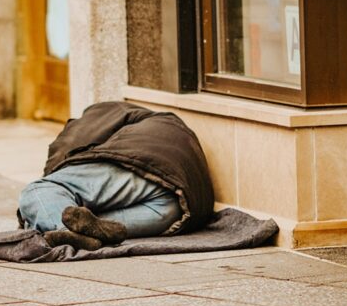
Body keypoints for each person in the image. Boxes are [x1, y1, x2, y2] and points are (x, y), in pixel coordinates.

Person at [17, 101, 215, 251]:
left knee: (38, 190)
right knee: (90, 223)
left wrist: (46, 190)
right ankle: (81, 234)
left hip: (145, 165)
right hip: (178, 207)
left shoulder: (98, 114)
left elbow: (64, 151)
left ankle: (62, 230)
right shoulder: (160, 123)